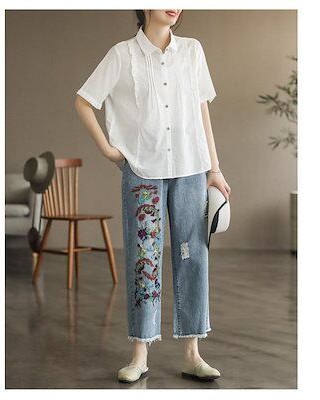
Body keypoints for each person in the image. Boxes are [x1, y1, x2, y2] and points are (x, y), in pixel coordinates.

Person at [74, 9, 231, 384]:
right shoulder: (122, 55)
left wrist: (215, 168)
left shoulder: (192, 51)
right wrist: (109, 150)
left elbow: (202, 111)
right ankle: (140, 353)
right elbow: (84, 101)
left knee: (193, 257)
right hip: (143, 171)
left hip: (191, 168)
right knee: (144, 258)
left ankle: (192, 353)